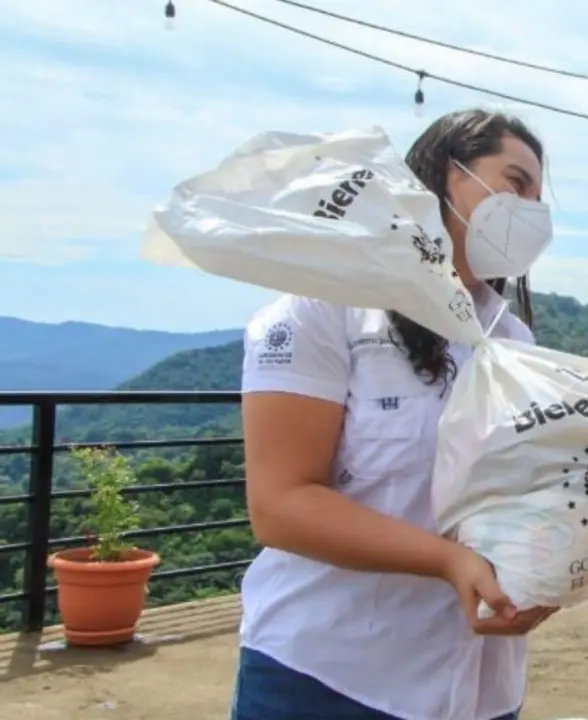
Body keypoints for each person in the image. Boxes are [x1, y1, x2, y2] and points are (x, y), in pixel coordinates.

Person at [229, 109, 556, 720]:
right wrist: (447, 560)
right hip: (329, 678)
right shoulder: (325, 307)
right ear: (444, 175)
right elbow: (280, 505)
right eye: (515, 183)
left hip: (479, 689)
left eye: (539, 197)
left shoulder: (511, 340)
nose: (530, 210)